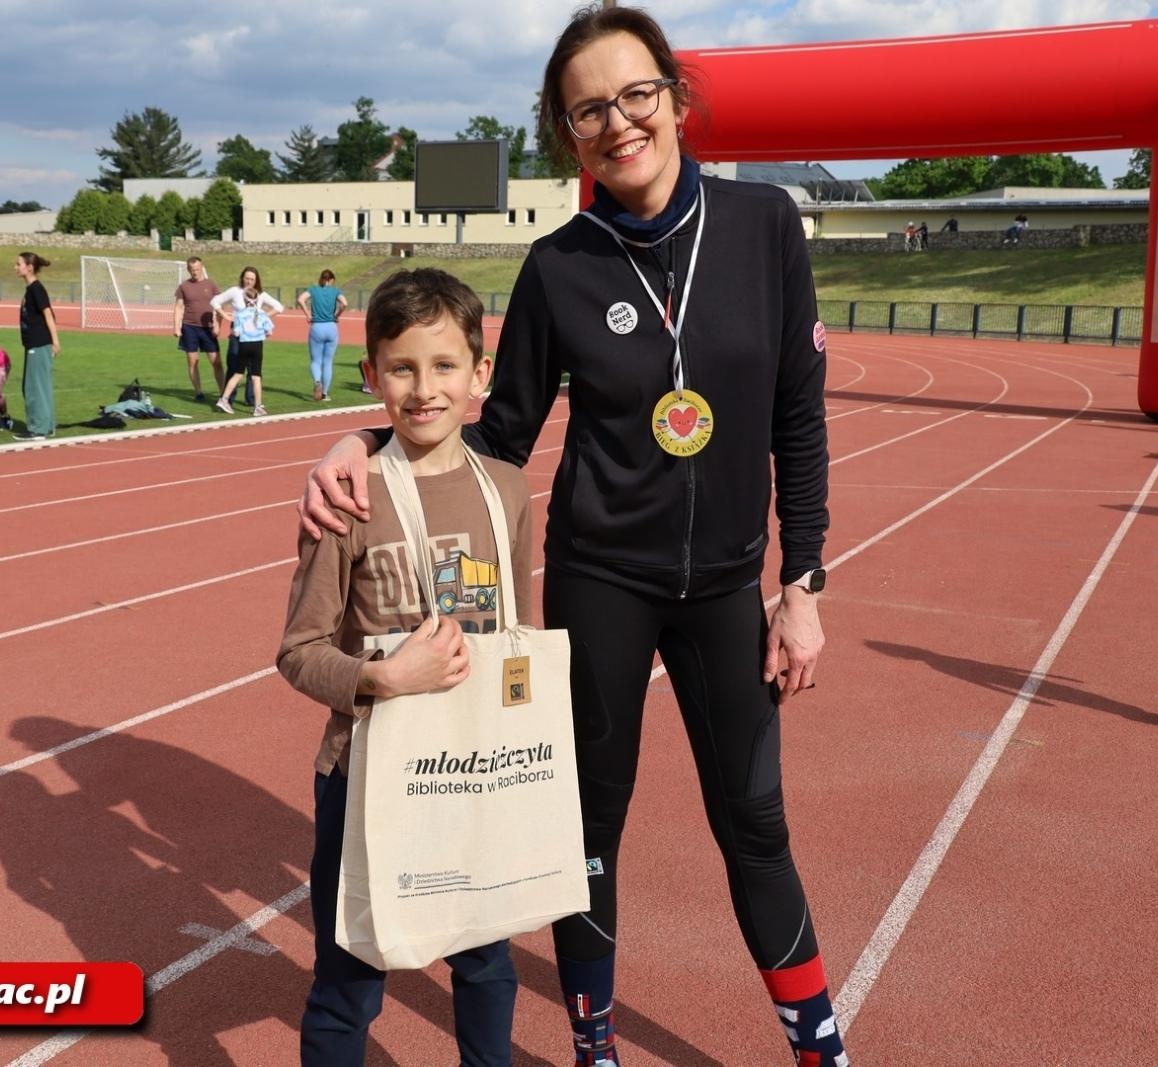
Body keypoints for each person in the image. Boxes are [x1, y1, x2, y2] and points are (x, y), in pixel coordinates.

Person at [299, 7, 844, 1066]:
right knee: (585, 833)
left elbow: (798, 417)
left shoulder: (765, 224)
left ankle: (817, 1045)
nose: (617, 121)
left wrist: (804, 580)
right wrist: (363, 440)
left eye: (635, 94)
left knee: (757, 826)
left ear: (675, 98)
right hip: (599, 583)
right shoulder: (558, 265)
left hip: (727, 586)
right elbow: (494, 429)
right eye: (587, 108)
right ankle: (592, 1044)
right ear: (568, 132)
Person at [277, 267, 529, 1066]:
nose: (424, 389)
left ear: (480, 374)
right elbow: (298, 651)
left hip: (476, 772)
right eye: (402, 368)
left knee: (486, 963)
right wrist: (381, 679)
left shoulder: (511, 493)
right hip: (365, 778)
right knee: (350, 979)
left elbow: (521, 632)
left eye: (444, 365)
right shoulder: (345, 498)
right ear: (372, 377)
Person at [211, 265, 284, 407]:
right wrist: (225, 315)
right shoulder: (235, 291)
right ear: (242, 278)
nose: (249, 281)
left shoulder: (260, 294)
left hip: (253, 335)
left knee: (253, 369)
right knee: (233, 365)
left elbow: (279, 307)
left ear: (256, 281)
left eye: (252, 279)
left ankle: (251, 399)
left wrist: (261, 317)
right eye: (247, 278)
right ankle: (228, 399)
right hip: (238, 333)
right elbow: (215, 301)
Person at [15, 251, 60, 441]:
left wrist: (55, 341)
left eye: (18, 264)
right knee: (35, 386)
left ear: (29, 267)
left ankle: (38, 429)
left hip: (39, 343)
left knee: (34, 388)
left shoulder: (36, 289)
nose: (15, 267)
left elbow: (48, 314)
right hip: (34, 343)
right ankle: (46, 426)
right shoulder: (30, 289)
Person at [172, 256, 223, 403]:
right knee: (192, 361)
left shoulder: (211, 284)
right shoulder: (184, 286)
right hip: (189, 327)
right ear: (188, 270)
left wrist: (218, 324)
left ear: (202, 268)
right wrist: (176, 327)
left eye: (198, 269)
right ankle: (199, 392)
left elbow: (220, 306)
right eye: (192, 270)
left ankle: (223, 393)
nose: (195, 272)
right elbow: (179, 307)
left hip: (208, 328)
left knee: (216, 362)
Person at [215, 299, 275, 416]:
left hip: (244, 345)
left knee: (237, 374)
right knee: (256, 377)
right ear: (257, 300)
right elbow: (269, 332)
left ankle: (224, 399)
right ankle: (257, 407)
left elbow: (236, 332)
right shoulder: (261, 313)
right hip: (257, 346)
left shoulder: (239, 314)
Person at [297, 268, 348, 401]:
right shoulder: (335, 291)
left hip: (317, 327)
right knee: (328, 362)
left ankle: (317, 381)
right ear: (331, 280)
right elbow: (344, 303)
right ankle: (324, 393)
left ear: (321, 278)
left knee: (315, 360)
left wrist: (308, 315)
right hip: (331, 327)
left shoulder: (313, 289)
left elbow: (301, 299)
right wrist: (337, 315)